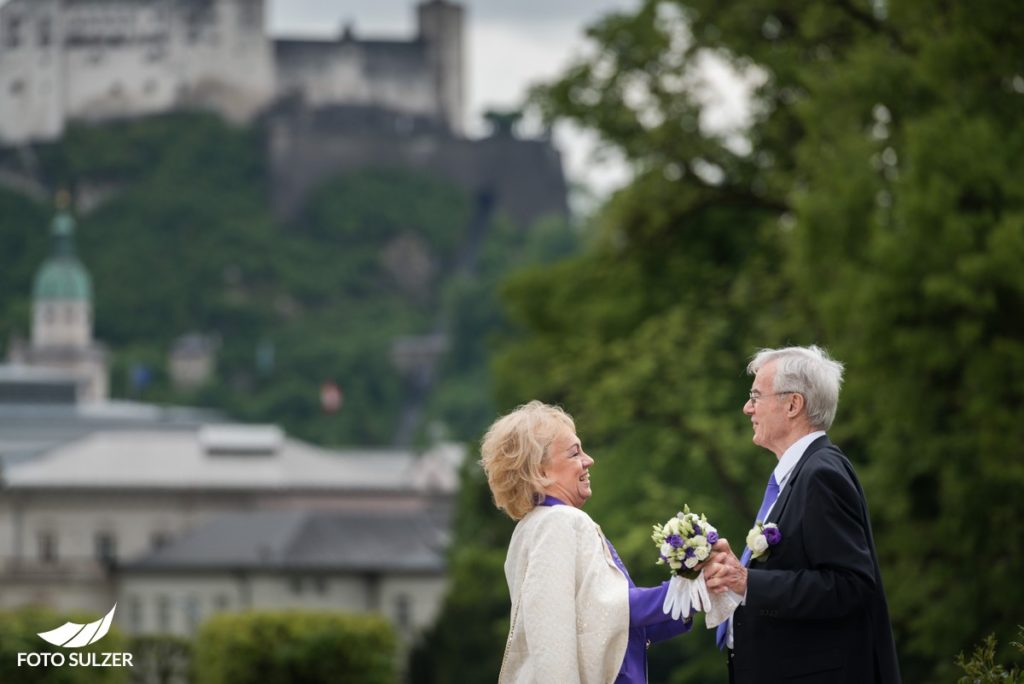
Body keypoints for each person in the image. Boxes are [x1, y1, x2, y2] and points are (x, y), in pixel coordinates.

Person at [704, 346, 901, 683]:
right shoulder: (802, 473)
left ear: (793, 404)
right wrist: (740, 571)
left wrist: (749, 581)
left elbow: (851, 585)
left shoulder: (820, 474)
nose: (747, 407)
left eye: (755, 396)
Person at [481, 401, 692, 684]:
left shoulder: (534, 527)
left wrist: (690, 596)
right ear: (541, 472)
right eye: (575, 453)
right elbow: (561, 632)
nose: (588, 460)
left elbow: (604, 624)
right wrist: (687, 588)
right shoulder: (559, 522)